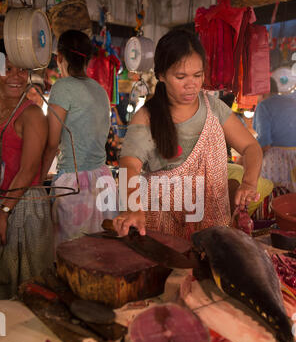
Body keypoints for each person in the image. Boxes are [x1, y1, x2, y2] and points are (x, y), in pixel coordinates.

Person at [113, 29, 263, 238]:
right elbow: (129, 165)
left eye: (198, 75)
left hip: (212, 228)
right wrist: (133, 207)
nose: (191, 85)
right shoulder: (147, 116)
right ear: (162, 75)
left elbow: (251, 147)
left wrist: (249, 182)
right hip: (162, 233)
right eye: (181, 76)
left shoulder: (214, 109)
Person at [41, 30, 117, 249]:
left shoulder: (62, 88)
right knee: (102, 253)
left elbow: (51, 143)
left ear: (59, 58)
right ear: (89, 59)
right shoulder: (100, 90)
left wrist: (38, 182)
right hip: (104, 181)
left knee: (72, 256)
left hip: (74, 186)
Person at [0, 39, 53, 299]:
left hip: (24, 207)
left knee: (26, 288)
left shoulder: (32, 115)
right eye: (7, 69)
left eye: (21, 70)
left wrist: (4, 213)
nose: (15, 77)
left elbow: (28, 168)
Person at [253, 77, 296, 192]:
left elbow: (265, 143)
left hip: (277, 161)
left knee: (275, 200)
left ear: (262, 91)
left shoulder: (263, 106)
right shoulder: (294, 103)